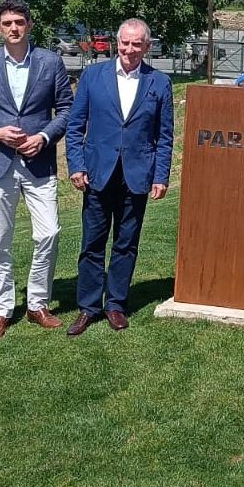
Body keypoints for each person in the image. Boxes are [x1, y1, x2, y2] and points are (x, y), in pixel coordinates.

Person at [0, 0, 73, 342]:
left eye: (19, 22)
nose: (13, 28)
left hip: (39, 163)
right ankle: (2, 310)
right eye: (7, 23)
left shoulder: (50, 62)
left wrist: (44, 136)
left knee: (49, 232)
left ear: (29, 25)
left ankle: (37, 303)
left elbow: (66, 109)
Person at [65, 18, 174, 335]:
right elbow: (75, 127)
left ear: (147, 46)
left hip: (137, 175)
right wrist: (76, 165)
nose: (130, 49)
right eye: (125, 42)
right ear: (117, 42)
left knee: (126, 244)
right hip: (97, 173)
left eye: (137, 43)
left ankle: (115, 304)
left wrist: (161, 175)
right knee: (92, 244)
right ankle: (88, 307)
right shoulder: (93, 76)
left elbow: (164, 136)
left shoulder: (159, 83)